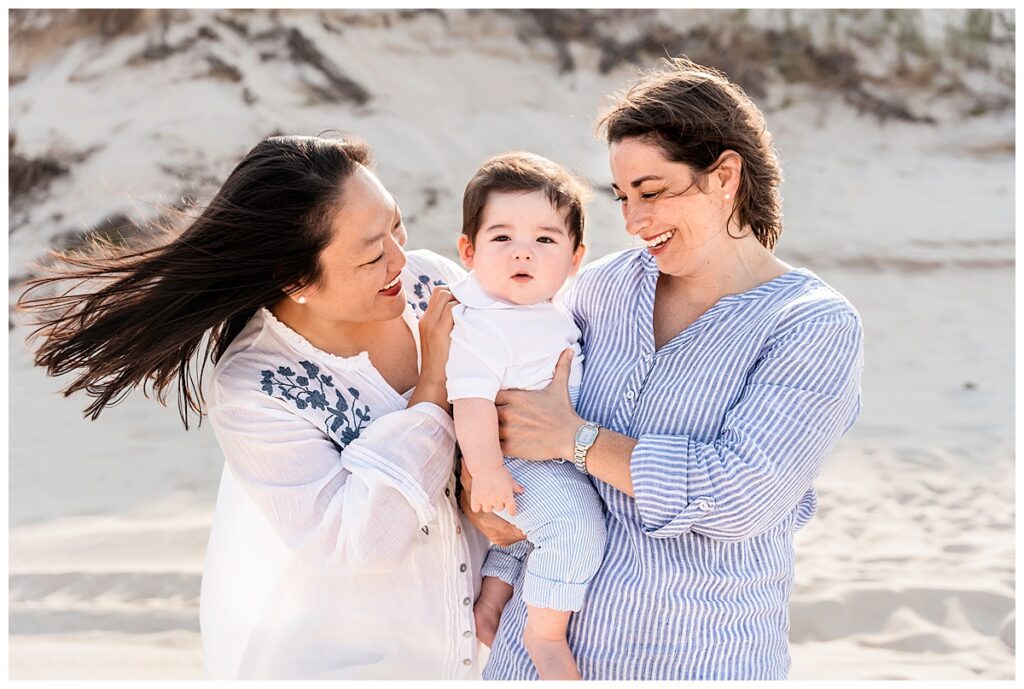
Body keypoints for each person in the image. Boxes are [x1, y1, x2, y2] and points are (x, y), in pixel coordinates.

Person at [17, 135, 498, 679]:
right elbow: (355, 542)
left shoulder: (434, 283)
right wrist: (433, 385)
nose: (400, 257)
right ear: (297, 280)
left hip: (488, 657)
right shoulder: (256, 386)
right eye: (371, 253)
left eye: (395, 223)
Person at [466, 57, 865, 680]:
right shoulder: (596, 291)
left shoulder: (810, 325)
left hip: (691, 658)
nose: (633, 221)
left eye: (652, 193)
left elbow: (741, 496)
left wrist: (577, 439)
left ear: (725, 176)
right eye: (622, 198)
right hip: (538, 657)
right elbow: (521, 432)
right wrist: (500, 558)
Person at [446, 152, 605, 680]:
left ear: (575, 258)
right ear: (468, 250)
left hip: (549, 453)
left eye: (544, 240)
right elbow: (470, 402)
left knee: (532, 536)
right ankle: (545, 632)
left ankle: (492, 602)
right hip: (514, 462)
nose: (523, 253)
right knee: (574, 525)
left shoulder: (552, 310)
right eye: (502, 238)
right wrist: (488, 470)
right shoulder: (484, 322)